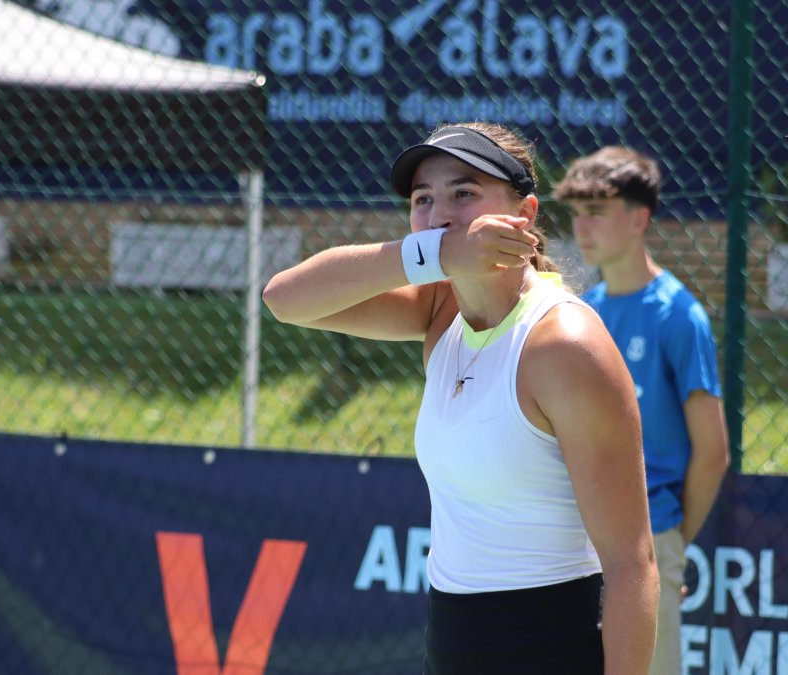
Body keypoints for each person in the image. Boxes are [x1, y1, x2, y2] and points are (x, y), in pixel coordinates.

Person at [262, 123, 658, 674]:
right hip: (452, 643)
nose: (441, 214)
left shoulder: (564, 344)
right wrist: (437, 253)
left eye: (464, 193)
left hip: (553, 647)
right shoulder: (439, 311)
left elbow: (631, 563)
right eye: (423, 200)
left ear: (525, 213)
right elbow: (285, 299)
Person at [553, 146, 730, 675]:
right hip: (577, 535)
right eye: (577, 213)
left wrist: (668, 543)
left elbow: (713, 453)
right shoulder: (584, 313)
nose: (582, 227)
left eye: (598, 212)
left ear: (639, 218)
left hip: (649, 537)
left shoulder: (680, 316)